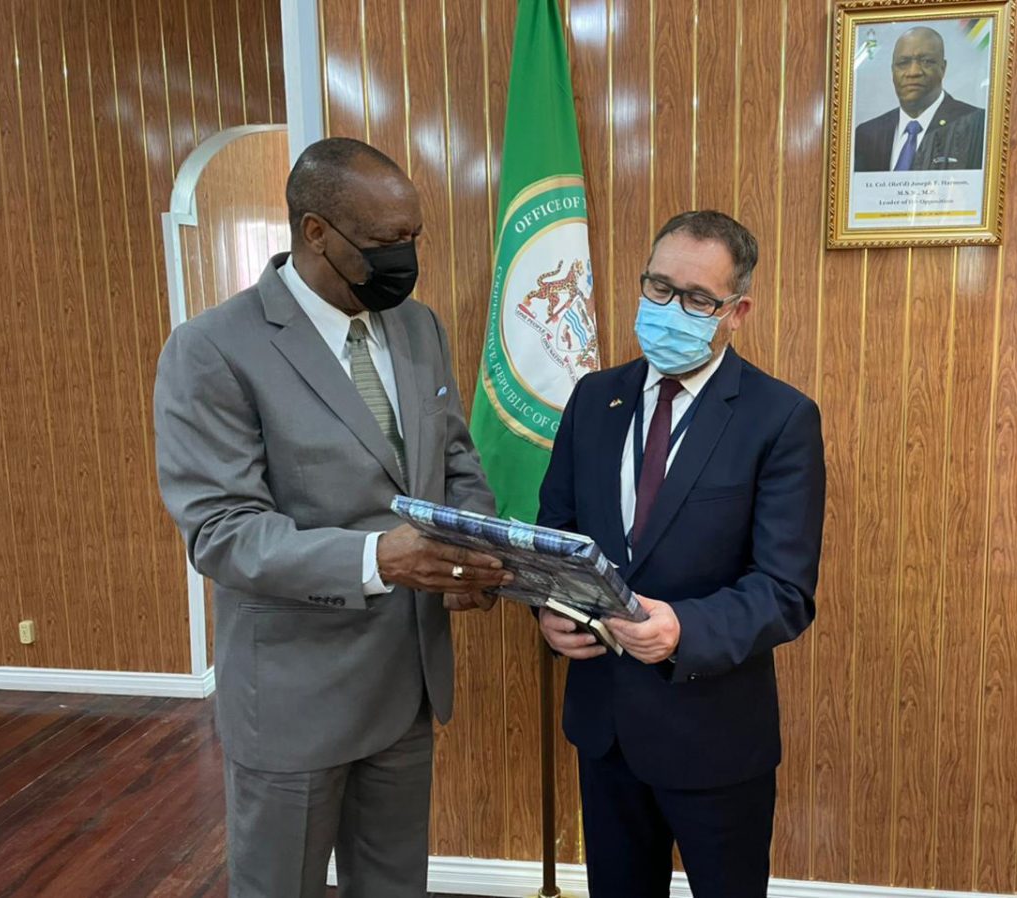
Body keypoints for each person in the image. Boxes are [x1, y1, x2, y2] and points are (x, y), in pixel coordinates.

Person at [154, 137, 509, 898]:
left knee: (393, 885)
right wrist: (378, 560)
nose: (406, 259)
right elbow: (221, 530)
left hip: (407, 684)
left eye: (413, 238)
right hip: (294, 699)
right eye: (386, 243)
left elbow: (456, 461)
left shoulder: (420, 328)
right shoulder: (213, 350)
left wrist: (468, 552)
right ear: (316, 232)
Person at [536, 210, 825, 897]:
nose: (671, 309)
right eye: (659, 288)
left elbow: (786, 592)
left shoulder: (780, 419)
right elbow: (557, 538)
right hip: (604, 730)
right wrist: (549, 615)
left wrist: (682, 631)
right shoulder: (592, 398)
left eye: (697, 299)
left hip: (715, 739)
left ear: (737, 311)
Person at [853, 25, 986, 171]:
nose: (913, 72)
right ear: (893, 71)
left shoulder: (977, 124)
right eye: (903, 63)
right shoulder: (867, 134)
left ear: (943, 67)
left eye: (926, 61)